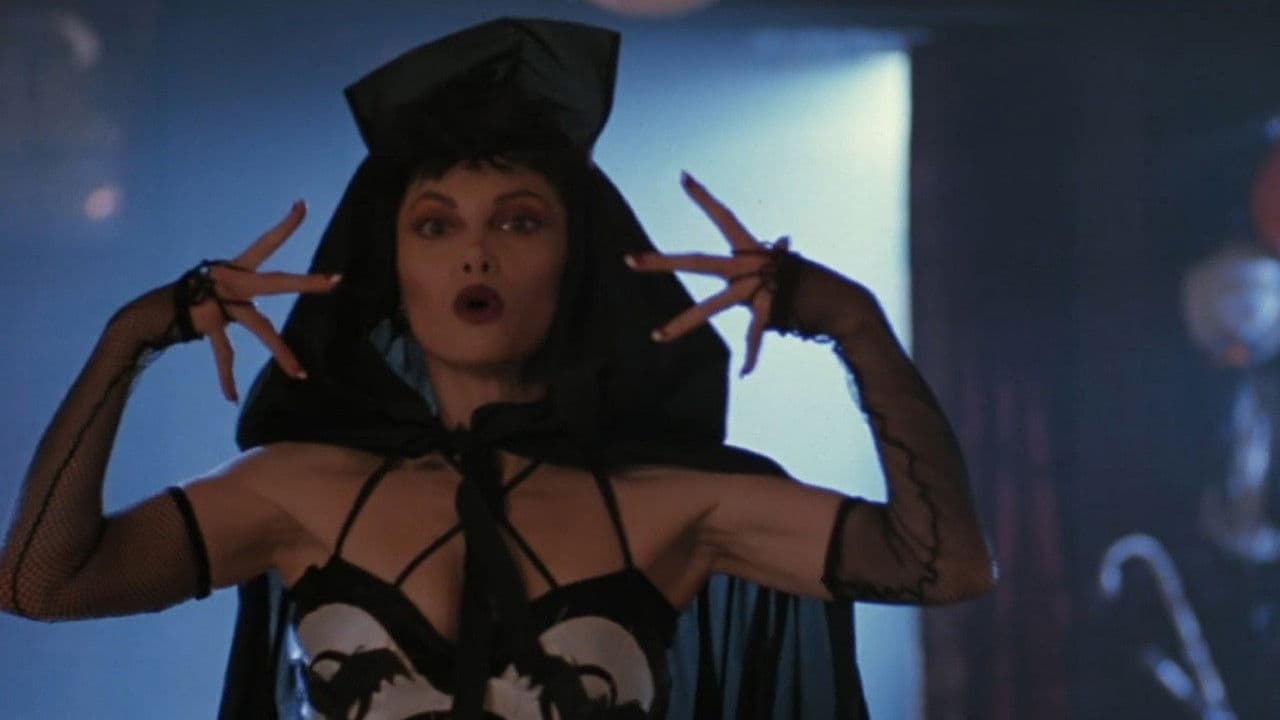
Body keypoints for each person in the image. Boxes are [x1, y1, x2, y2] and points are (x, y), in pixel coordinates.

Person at [0, 17, 994, 719]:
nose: (475, 254)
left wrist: (853, 325)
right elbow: (46, 584)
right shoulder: (296, 490)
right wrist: (130, 339)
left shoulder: (672, 506)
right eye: (436, 226)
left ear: (577, 265)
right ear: (393, 276)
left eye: (519, 223)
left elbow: (942, 565)